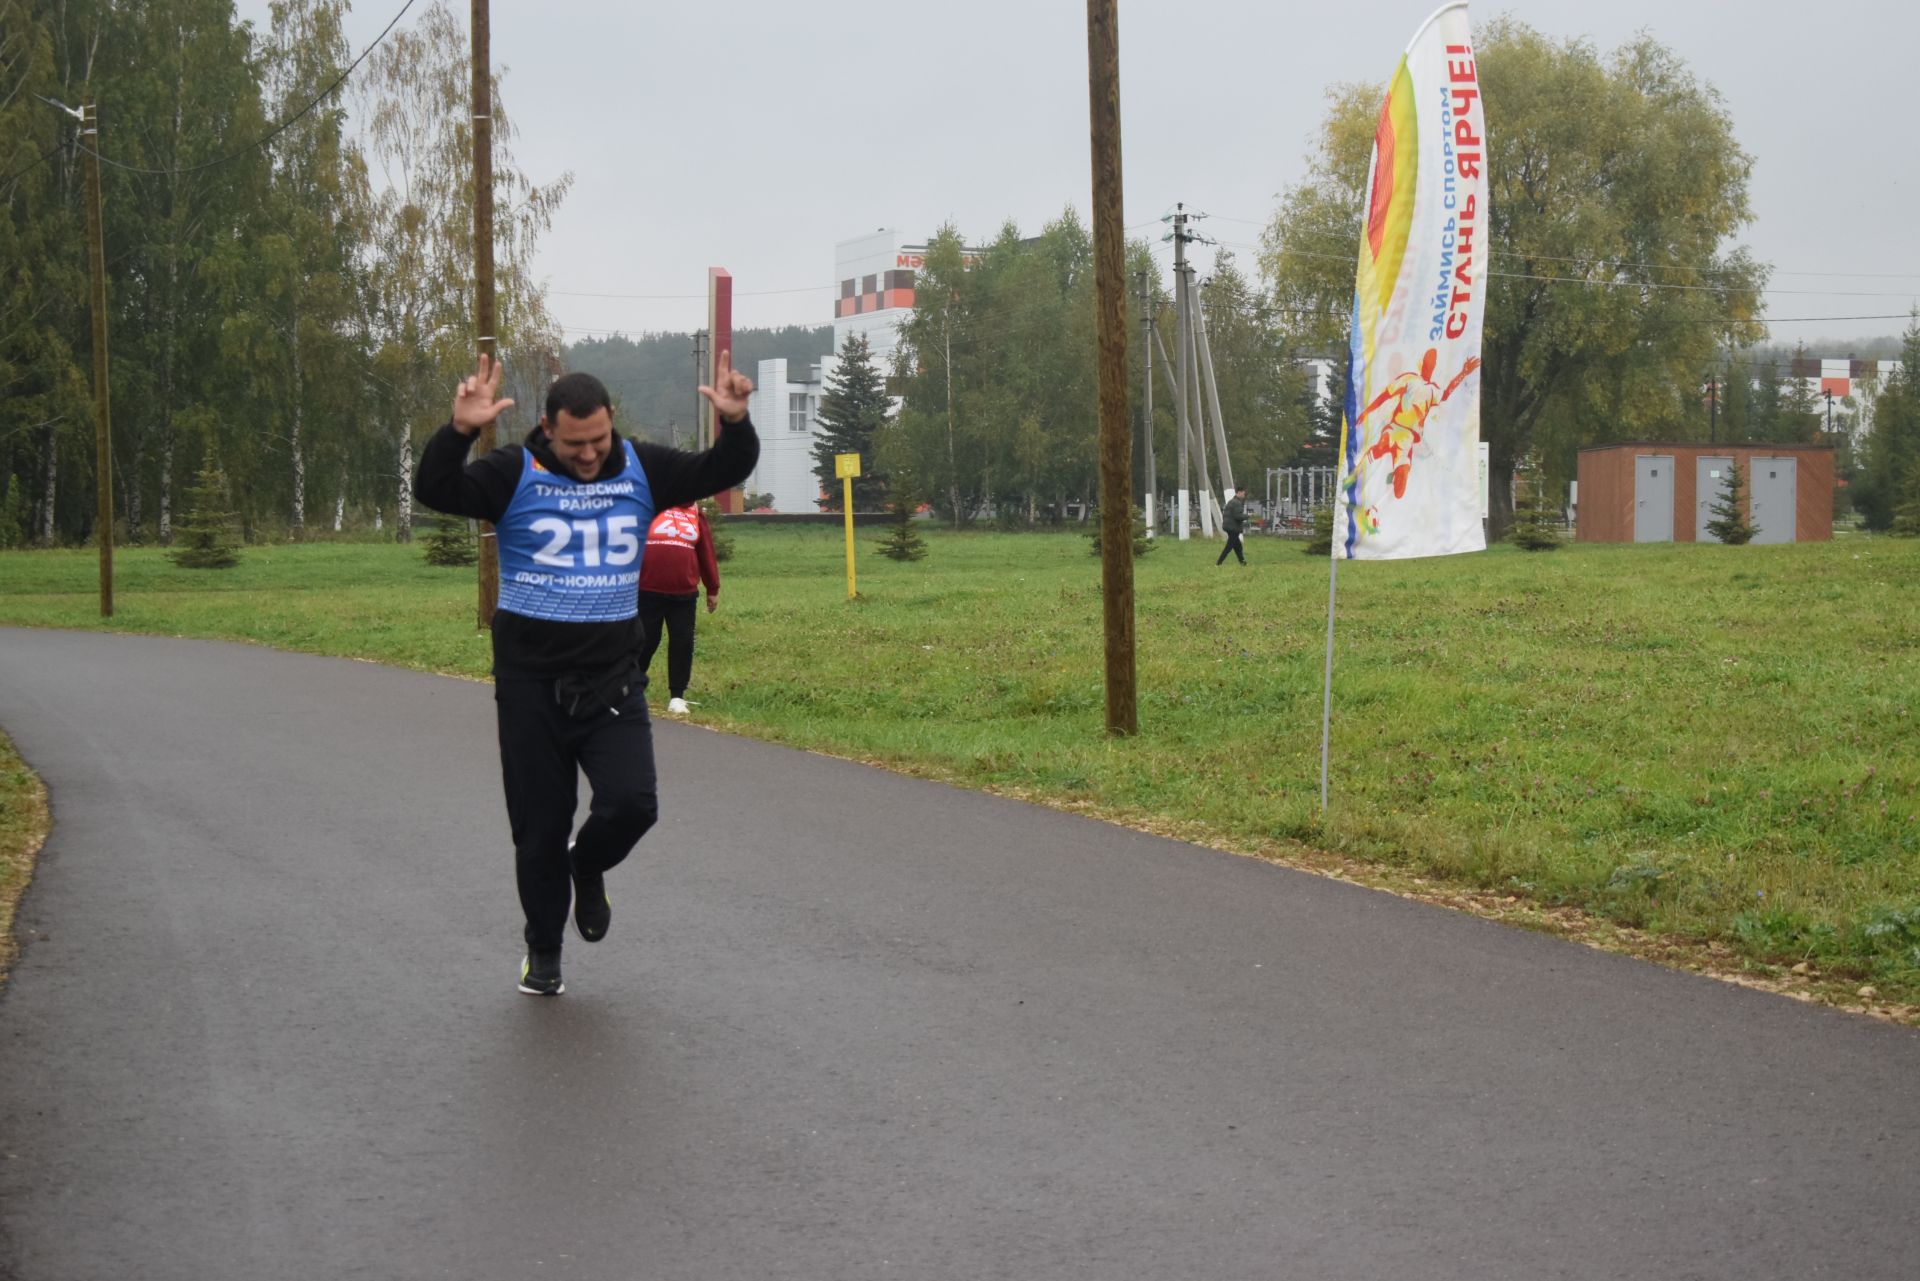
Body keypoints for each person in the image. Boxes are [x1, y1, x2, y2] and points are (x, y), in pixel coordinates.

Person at [414, 351, 758, 996]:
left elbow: (724, 468)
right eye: (577, 444)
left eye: (600, 439)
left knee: (634, 804)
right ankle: (543, 950)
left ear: (611, 425)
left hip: (611, 679)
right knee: (538, 830)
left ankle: (588, 865)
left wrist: (736, 423)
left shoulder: (642, 468)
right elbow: (435, 488)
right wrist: (458, 430)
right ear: (548, 429)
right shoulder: (512, 471)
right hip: (530, 688)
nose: (591, 453)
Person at [637, 503, 720, 716]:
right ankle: (631, 690)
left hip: (684, 593)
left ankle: (677, 697)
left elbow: (706, 552)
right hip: (647, 590)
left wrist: (713, 587)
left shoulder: (695, 513)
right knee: (645, 641)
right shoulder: (651, 505)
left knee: (682, 643)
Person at [1217, 485, 1249, 565]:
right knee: (1229, 547)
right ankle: (1218, 563)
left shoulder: (1231, 501)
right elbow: (1237, 516)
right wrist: (1247, 516)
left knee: (1238, 546)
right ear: (1239, 492)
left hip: (1228, 526)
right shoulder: (1237, 503)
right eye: (1243, 494)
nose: (1244, 496)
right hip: (1233, 528)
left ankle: (1242, 562)